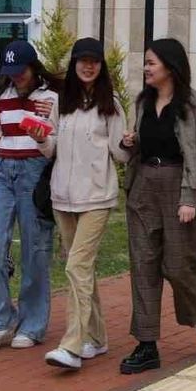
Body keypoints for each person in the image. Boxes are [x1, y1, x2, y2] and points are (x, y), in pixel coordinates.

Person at [118, 38, 196, 375]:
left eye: (151, 63)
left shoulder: (194, 104)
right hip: (144, 188)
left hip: (177, 187)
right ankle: (146, 344)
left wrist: (189, 198)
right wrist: (130, 142)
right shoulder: (143, 102)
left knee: (177, 266)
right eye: (146, 63)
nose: (146, 68)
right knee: (143, 266)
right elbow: (142, 147)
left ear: (170, 66)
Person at [43, 38, 129, 371]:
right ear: (74, 64)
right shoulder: (61, 101)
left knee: (76, 266)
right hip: (62, 198)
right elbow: (50, 148)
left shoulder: (111, 104)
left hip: (96, 197)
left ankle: (72, 345)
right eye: (83, 60)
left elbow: (120, 154)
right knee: (82, 269)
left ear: (101, 66)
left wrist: (128, 143)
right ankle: (97, 336)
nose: (88, 66)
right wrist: (40, 137)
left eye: (94, 61)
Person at [0, 40, 59, 352]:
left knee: (34, 251)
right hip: (1, 171)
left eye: (21, 71)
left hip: (34, 171)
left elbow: (55, 142)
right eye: (11, 72)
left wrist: (44, 128)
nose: (16, 77)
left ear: (33, 68)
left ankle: (32, 323)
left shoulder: (50, 97)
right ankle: (2, 319)